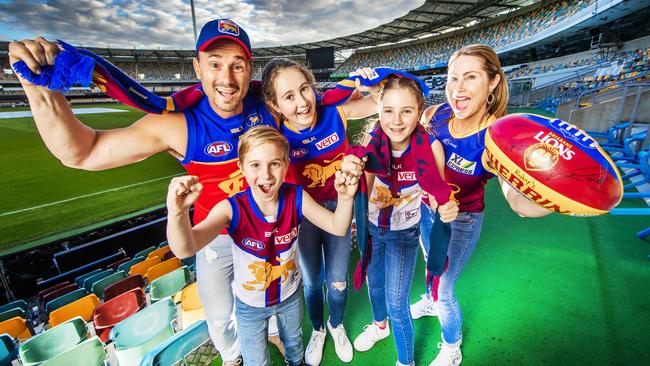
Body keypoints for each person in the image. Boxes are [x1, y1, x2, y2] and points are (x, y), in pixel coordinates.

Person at [8, 19, 276, 366]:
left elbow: (331, 109)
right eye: (214, 64)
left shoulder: (269, 106)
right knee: (219, 315)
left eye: (236, 66)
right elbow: (82, 152)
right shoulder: (178, 124)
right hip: (217, 238)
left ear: (249, 69)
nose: (226, 79)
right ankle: (231, 356)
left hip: (271, 227)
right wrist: (37, 84)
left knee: (271, 294)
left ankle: (270, 334)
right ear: (197, 67)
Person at [165, 126, 358, 366]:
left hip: (290, 296)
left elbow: (337, 227)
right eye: (255, 165)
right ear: (241, 167)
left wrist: (346, 198)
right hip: (249, 306)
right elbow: (186, 248)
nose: (265, 175)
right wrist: (178, 214)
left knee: (295, 347)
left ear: (287, 165)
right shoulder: (231, 208)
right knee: (257, 361)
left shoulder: (297, 196)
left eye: (274, 163)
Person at [409, 44, 551, 366]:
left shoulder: (497, 140)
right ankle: (428, 302)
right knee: (431, 262)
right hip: (428, 212)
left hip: (464, 221)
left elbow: (517, 202)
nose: (457, 89)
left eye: (470, 78)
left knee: (446, 288)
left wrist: (557, 202)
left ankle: (451, 345)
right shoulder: (436, 114)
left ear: (493, 83)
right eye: (452, 78)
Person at [261, 58, 378, 365]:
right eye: (289, 97)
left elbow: (377, 103)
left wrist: (372, 83)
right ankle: (317, 330)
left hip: (340, 208)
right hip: (306, 216)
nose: (302, 102)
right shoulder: (273, 134)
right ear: (274, 105)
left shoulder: (335, 112)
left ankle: (335, 325)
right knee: (312, 282)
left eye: (305, 89)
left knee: (338, 283)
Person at [349, 76, 459, 366]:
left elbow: (437, 192)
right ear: (379, 109)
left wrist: (444, 208)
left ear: (420, 110)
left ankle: (405, 362)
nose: (396, 121)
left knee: (397, 304)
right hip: (372, 230)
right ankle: (379, 326)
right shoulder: (371, 143)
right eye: (388, 110)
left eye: (406, 111)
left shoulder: (429, 146)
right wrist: (350, 177)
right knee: (375, 286)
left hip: (403, 234)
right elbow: (364, 191)